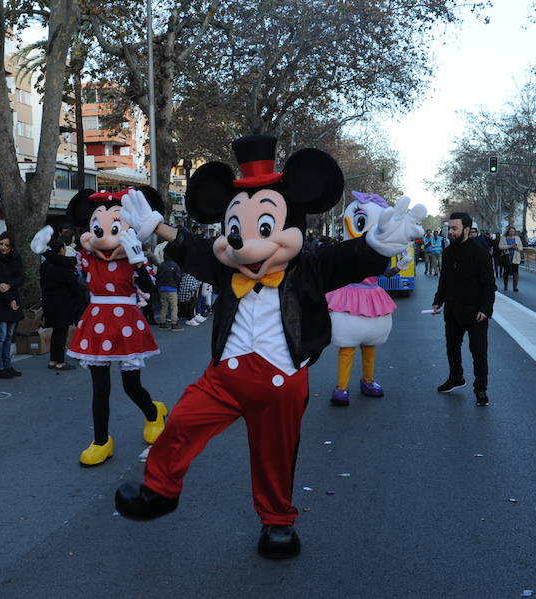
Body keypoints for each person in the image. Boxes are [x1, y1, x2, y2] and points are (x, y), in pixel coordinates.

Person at [113, 136, 422, 559]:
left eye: (263, 228)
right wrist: (156, 228)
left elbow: (347, 261)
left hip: (283, 378)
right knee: (182, 422)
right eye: (235, 230)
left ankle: (277, 522)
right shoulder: (225, 268)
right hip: (223, 377)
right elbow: (193, 248)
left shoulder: (310, 266)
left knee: (275, 456)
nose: (241, 244)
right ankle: (160, 491)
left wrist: (377, 247)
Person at [56, 187, 165, 467]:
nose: (104, 236)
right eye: (99, 228)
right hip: (98, 321)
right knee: (99, 388)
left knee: (131, 386)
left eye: (114, 227)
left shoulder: (134, 258)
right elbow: (67, 266)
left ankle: (153, 413)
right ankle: (102, 441)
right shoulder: (87, 258)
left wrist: (139, 262)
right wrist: (46, 252)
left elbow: (151, 291)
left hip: (126, 321)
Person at [326, 191, 401, 406]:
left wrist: (398, 268)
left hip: (371, 297)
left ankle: (368, 381)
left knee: (370, 344)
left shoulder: (380, 254)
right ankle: (342, 387)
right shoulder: (344, 250)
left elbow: (384, 273)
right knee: (347, 346)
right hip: (349, 295)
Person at [432, 212, 496, 406]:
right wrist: (438, 301)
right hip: (452, 310)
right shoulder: (448, 251)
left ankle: (481, 389)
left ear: (466, 230)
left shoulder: (480, 252)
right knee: (452, 348)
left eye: (454, 228)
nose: (450, 232)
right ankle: (456, 378)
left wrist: (485, 309)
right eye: (449, 228)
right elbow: (444, 280)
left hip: (476, 312)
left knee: (478, 352)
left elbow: (489, 284)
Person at [40, 238, 84, 370]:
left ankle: (53, 360)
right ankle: (60, 361)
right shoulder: (64, 266)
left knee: (55, 331)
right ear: (61, 250)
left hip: (49, 301)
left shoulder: (44, 265)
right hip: (63, 302)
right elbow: (74, 286)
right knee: (61, 331)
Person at [0, 231, 25, 378]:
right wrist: (10, 297)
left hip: (13, 298)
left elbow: (21, 277)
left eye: (6, 245)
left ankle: (8, 365)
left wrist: (10, 285)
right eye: (1, 244)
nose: (3, 247)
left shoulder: (16, 258)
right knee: (1, 335)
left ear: (11, 247)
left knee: (9, 335)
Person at [155, 254, 183, 330]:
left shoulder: (160, 266)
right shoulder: (174, 265)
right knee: (174, 307)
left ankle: (162, 323)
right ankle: (174, 324)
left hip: (162, 288)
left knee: (164, 306)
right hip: (172, 288)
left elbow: (157, 277)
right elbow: (178, 277)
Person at [498, 226, 523, 292]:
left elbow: (521, 247)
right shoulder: (503, 238)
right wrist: (510, 246)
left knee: (515, 272)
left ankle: (515, 287)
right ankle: (505, 286)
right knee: (506, 272)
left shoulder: (517, 238)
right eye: (510, 231)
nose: (511, 232)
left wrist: (517, 248)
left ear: (514, 232)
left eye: (513, 231)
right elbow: (500, 246)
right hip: (507, 257)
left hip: (516, 257)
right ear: (508, 232)